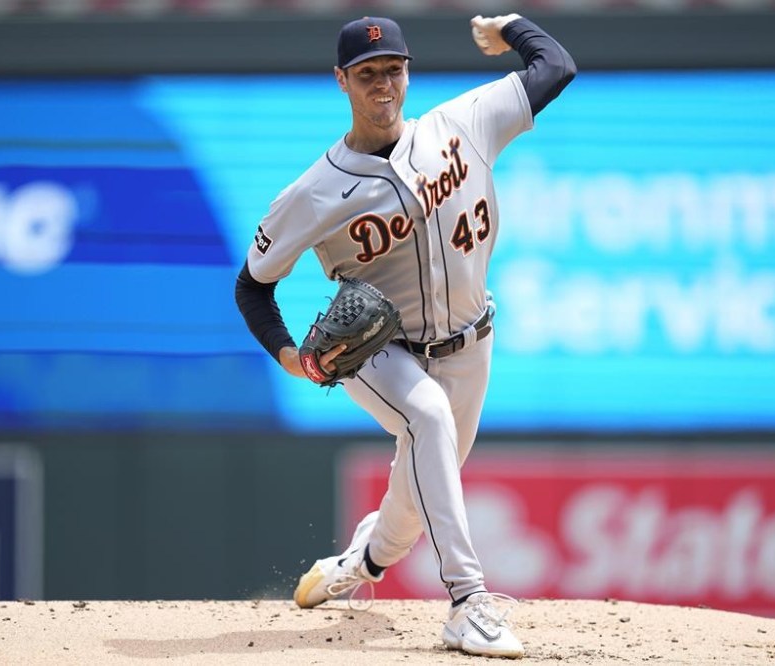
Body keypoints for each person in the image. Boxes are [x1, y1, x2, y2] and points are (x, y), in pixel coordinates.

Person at [235, 13, 576, 658]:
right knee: (426, 418)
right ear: (342, 81)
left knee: (412, 509)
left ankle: (356, 565)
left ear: (408, 71)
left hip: (473, 340)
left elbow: (555, 67)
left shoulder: (463, 123)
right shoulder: (314, 192)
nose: (383, 84)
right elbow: (252, 285)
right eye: (367, 74)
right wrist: (289, 357)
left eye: (393, 69)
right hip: (380, 349)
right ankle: (468, 604)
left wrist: (511, 26)